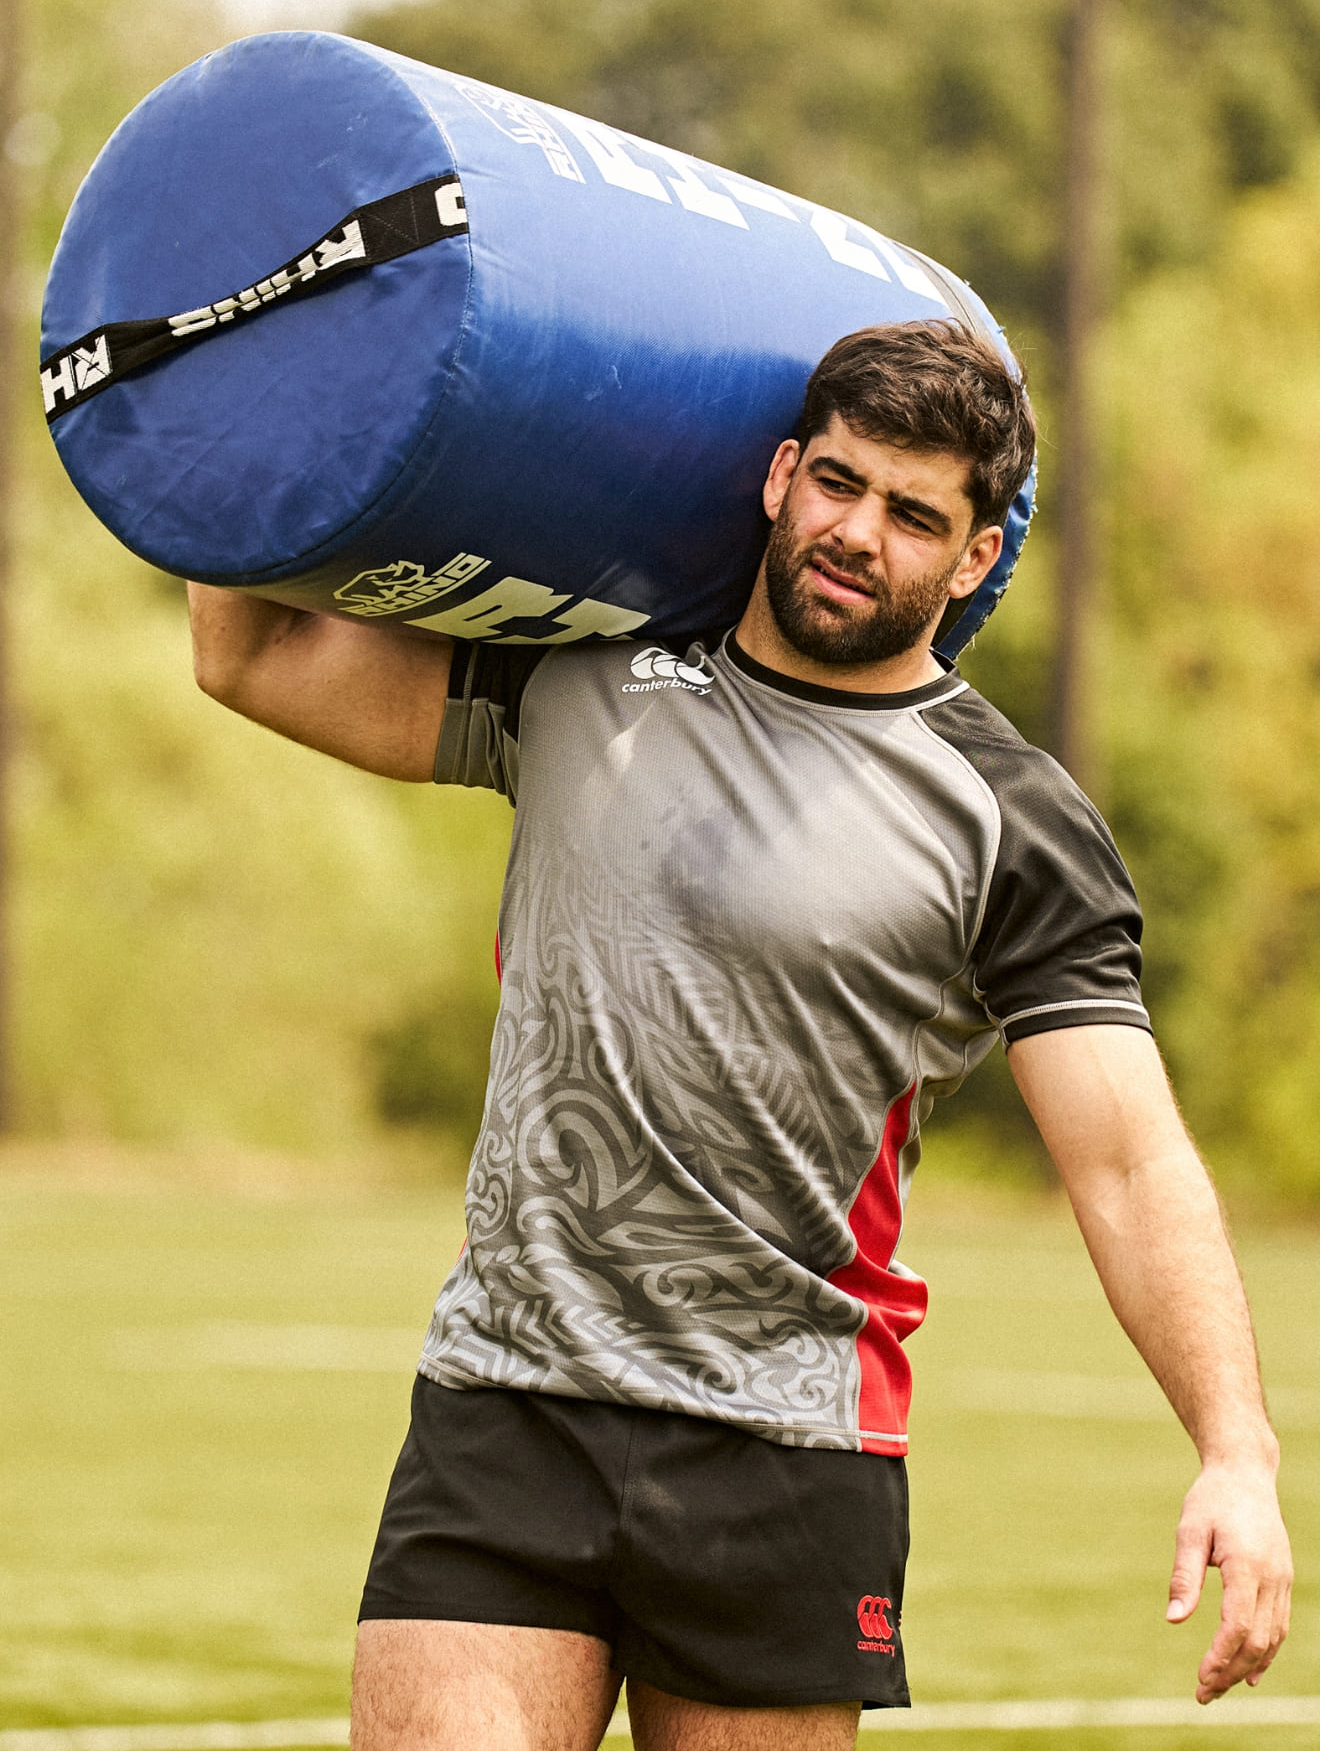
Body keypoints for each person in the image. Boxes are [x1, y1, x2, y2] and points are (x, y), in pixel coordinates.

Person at [187, 319, 1292, 1751]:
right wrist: (220, 406)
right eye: (839, 482)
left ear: (972, 561)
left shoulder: (1007, 818)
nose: (858, 534)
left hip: (786, 1446)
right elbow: (254, 656)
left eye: (913, 516)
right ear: (779, 475)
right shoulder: (576, 676)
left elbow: (1131, 1164)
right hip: (510, 1404)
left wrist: (1237, 1452)